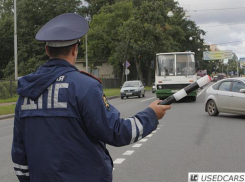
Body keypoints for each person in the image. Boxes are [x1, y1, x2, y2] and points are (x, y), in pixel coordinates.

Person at [11, 13, 171, 182]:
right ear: (75, 49)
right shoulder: (85, 86)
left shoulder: (27, 91)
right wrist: (151, 114)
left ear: (46, 50)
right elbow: (117, 132)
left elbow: (19, 154)